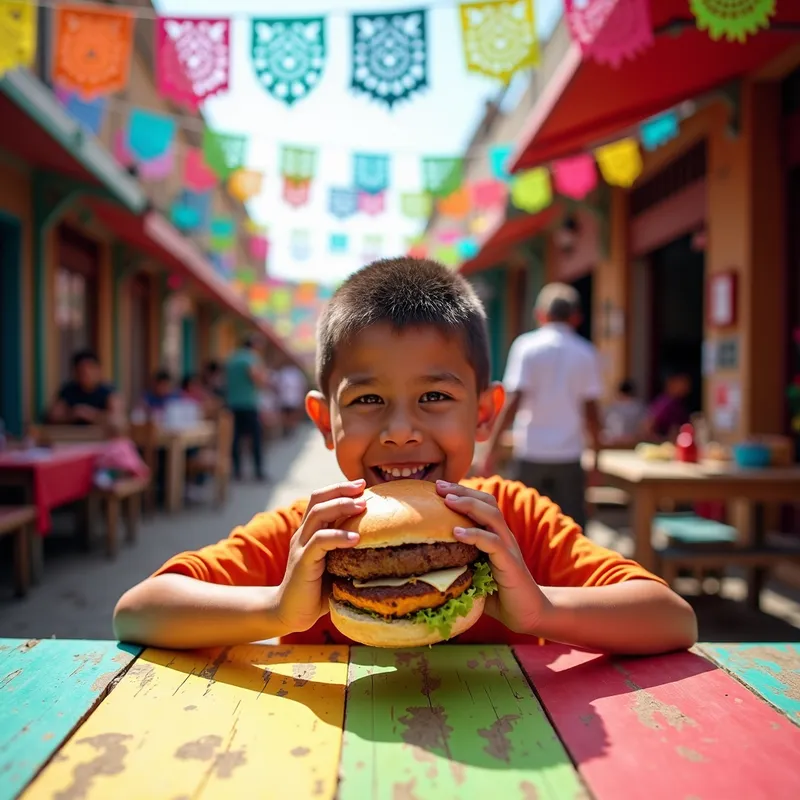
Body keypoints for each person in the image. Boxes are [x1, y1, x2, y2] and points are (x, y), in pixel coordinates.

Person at [114, 257, 696, 655]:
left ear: (485, 414)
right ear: (324, 421)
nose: (399, 431)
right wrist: (277, 608)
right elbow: (138, 611)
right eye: (367, 400)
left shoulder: (513, 519)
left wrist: (540, 610)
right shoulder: (314, 530)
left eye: (435, 397)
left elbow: (672, 618)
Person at [476, 283, 602, 531]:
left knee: (523, 528)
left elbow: (513, 403)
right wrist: (597, 459)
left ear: (540, 314)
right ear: (576, 317)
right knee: (571, 531)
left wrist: (492, 448)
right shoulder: (586, 353)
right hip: (569, 456)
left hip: (531, 451)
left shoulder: (526, 347)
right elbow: (592, 413)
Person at [225, 336, 268, 481]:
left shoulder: (232, 358)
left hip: (232, 404)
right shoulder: (250, 358)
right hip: (248, 404)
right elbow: (256, 377)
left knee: (235, 439)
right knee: (255, 438)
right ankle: (258, 471)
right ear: (254, 345)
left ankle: (236, 471)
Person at [49, 349, 122, 429]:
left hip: (101, 438)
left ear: (98, 370)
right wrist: (72, 415)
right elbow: (53, 416)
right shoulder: (68, 391)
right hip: (72, 437)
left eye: (90, 369)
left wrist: (92, 415)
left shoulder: (109, 392)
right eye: (81, 371)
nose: (87, 373)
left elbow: (118, 420)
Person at [645, 369, 692, 442]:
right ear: (671, 383)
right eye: (683, 382)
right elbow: (648, 426)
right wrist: (662, 441)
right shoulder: (664, 404)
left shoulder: (679, 404)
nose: (687, 387)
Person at [603, 379, 648, 447]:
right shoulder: (640, 407)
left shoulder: (612, 407)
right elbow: (645, 428)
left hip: (614, 444)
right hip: (633, 444)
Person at [276, 361, 308, 436]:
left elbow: (301, 386)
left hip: (292, 398)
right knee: (286, 414)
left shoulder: (295, 373)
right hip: (285, 398)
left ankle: (291, 428)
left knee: (292, 414)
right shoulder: (283, 373)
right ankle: (287, 428)